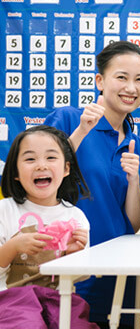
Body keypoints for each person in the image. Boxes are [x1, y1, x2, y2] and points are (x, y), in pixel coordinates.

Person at [45, 41, 140, 328]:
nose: (131, 87)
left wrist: (133, 182)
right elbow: (41, 175)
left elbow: (134, 221)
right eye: (122, 77)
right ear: (100, 81)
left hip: (120, 270)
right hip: (71, 268)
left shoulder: (138, 147)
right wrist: (80, 132)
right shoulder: (68, 118)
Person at [0, 125, 96, 327]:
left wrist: (71, 255)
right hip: (11, 299)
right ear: (15, 172)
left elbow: (80, 276)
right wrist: (13, 247)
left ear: (66, 169)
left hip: (60, 299)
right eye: (30, 159)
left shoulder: (76, 216)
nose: (41, 166)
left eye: (51, 157)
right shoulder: (5, 210)